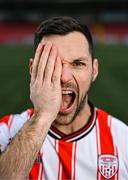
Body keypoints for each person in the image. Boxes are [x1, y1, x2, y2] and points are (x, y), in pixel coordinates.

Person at [0, 16, 127, 180]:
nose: (64, 77)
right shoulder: (6, 130)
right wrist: (43, 117)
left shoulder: (123, 141)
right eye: (52, 63)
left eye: (78, 63)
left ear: (94, 70)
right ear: (33, 69)